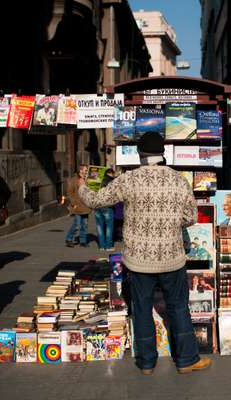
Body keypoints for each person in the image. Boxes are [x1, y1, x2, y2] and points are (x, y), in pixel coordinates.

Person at [78, 131, 211, 375]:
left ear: (140, 154)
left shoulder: (130, 179)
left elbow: (97, 201)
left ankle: (147, 363)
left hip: (139, 260)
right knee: (178, 307)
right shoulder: (178, 180)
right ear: (163, 152)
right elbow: (190, 217)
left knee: (141, 308)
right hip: (172, 258)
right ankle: (186, 360)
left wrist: (82, 188)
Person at [64, 164, 90, 247]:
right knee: (77, 225)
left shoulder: (88, 180)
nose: (86, 172)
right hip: (77, 206)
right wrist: (73, 202)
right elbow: (69, 192)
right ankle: (69, 239)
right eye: (85, 170)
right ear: (80, 170)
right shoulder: (74, 180)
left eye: (87, 170)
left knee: (84, 225)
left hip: (86, 206)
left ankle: (83, 241)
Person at [94, 168, 116, 251]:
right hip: (107, 206)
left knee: (99, 226)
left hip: (97, 205)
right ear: (111, 173)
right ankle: (109, 246)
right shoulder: (112, 181)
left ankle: (101, 246)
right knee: (109, 227)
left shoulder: (97, 180)